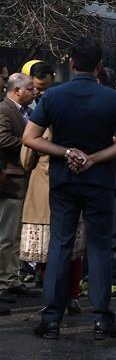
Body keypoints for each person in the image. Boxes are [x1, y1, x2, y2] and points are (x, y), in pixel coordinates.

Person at [24, 37, 116, 340]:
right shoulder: (113, 99)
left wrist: (66, 153)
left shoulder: (53, 96)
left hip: (63, 178)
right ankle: (102, 319)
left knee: (60, 244)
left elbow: (30, 138)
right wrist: (94, 158)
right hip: (99, 179)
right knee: (98, 246)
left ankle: (51, 319)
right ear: (99, 65)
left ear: (71, 63)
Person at [20, 126, 86, 314]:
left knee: (45, 251)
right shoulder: (79, 120)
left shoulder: (40, 125)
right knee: (73, 251)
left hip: (43, 190)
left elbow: (25, 161)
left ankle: (54, 300)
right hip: (75, 186)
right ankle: (72, 296)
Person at [0, 73, 40, 299]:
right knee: (6, 236)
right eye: (30, 89)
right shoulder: (4, 110)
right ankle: (3, 282)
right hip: (10, 181)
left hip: (23, 181)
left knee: (16, 235)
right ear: (17, 91)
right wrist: (30, 145)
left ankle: (11, 278)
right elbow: (3, 139)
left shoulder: (28, 113)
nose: (35, 92)